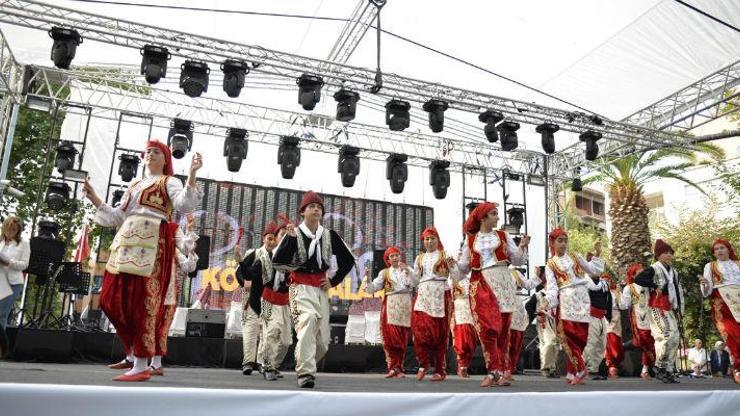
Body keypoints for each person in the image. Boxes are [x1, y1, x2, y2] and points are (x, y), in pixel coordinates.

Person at [83, 140, 202, 382]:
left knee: (143, 302)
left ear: (166, 158)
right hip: (126, 242)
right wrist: (95, 198)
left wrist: (191, 175)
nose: (150, 155)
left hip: (151, 243)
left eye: (156, 152)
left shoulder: (169, 181)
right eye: (147, 152)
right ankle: (131, 352)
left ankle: (141, 363)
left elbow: (184, 204)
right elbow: (117, 215)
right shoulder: (135, 183)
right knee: (109, 299)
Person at [272, 191, 355, 388]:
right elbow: (278, 262)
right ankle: (306, 373)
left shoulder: (328, 235)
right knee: (307, 319)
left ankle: (303, 359)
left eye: (319, 207)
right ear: (302, 212)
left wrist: (333, 282)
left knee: (323, 342)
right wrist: (290, 240)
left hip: (320, 290)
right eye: (311, 206)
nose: (316, 209)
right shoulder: (294, 233)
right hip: (299, 287)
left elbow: (348, 260)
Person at [457, 202, 530, 387]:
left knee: (504, 330)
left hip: (503, 281)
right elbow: (463, 268)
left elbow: (518, 260)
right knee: (488, 327)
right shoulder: (470, 239)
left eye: (497, 214)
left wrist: (523, 246)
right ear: (483, 218)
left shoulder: (504, 235)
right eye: (494, 214)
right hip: (481, 282)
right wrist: (451, 265)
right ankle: (492, 370)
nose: (498, 217)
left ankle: (500, 371)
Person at [541, 227, 606, 386]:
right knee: (567, 337)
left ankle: (574, 371)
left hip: (582, 298)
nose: (563, 244)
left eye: (565, 240)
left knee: (581, 338)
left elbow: (593, 270)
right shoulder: (551, 264)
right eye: (559, 241)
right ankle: (577, 370)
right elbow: (552, 287)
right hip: (566, 299)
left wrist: (596, 254)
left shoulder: (575, 256)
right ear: (553, 243)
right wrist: (547, 301)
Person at [149, 217, 198, 376]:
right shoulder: (148, 244)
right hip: (148, 289)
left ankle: (156, 363)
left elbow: (189, 267)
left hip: (168, 293)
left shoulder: (174, 251)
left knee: (161, 326)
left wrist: (191, 249)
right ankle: (135, 359)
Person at [235, 221, 282, 376]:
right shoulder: (254, 254)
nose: (271, 242)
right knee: (251, 330)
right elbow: (239, 272)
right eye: (269, 238)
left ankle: (263, 363)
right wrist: (245, 281)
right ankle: (248, 362)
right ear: (263, 239)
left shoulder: (279, 257)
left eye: (274, 239)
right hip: (252, 300)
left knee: (267, 334)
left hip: (270, 301)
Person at [634, 239, 684, 384]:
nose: (669, 255)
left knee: (675, 336)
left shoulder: (673, 271)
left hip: (669, 307)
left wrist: (680, 308)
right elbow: (639, 279)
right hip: (656, 306)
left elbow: (678, 290)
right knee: (666, 334)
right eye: (666, 253)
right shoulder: (654, 268)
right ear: (658, 255)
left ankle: (668, 369)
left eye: (670, 253)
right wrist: (654, 285)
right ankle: (659, 367)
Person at [411, 226, 456, 382]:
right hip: (423, 293)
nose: (429, 242)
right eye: (426, 239)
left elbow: (457, 276)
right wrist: (408, 273)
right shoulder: (419, 258)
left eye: (432, 238)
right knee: (419, 331)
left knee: (440, 334)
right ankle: (423, 364)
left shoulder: (445, 255)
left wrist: (454, 266)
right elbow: (415, 280)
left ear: (438, 240)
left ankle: (439, 370)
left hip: (441, 294)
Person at [365, 246, 415, 378]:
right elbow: (372, 289)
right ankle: (393, 367)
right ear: (387, 259)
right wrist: (368, 279)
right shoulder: (384, 273)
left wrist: (409, 271)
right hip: (391, 304)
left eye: (396, 255)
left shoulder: (407, 270)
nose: (394, 258)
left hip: (405, 305)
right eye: (391, 256)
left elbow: (417, 282)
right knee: (392, 339)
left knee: (402, 339)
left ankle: (399, 368)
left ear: (400, 256)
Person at [699, 238, 739, 384]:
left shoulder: (738, 264)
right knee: (731, 335)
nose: (719, 251)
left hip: (738, 301)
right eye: (716, 249)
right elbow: (707, 291)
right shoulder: (710, 266)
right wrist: (704, 285)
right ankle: (737, 369)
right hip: (722, 304)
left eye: (722, 248)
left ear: (729, 249)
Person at [621, 262, 655, 380]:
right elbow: (624, 305)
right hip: (638, 318)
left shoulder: (649, 286)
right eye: (640, 273)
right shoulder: (629, 288)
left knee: (650, 343)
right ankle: (650, 366)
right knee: (645, 342)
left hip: (651, 317)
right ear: (634, 275)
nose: (643, 274)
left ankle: (645, 369)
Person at [506, 267, 540, 379]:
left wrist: (536, 275)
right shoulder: (490, 270)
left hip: (516, 305)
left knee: (516, 339)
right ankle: (502, 368)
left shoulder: (514, 272)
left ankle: (510, 367)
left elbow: (528, 285)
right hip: (502, 305)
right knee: (504, 340)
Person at [0, 215, 30, 330]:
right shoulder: (0, 240)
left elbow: (24, 265)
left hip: (13, 283)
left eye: (14, 230)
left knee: (1, 314)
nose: (11, 232)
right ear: (4, 227)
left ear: (18, 231)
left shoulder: (24, 243)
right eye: (9, 228)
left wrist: (8, 262)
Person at [530, 266, 560, 378]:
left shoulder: (558, 295)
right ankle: (546, 367)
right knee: (548, 342)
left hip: (555, 320)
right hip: (544, 321)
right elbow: (529, 308)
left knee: (556, 343)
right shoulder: (538, 295)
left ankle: (552, 368)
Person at [584, 268, 612, 381]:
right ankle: (584, 368)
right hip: (590, 316)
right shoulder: (585, 282)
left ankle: (595, 369)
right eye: (594, 269)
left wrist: (608, 316)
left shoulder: (604, 284)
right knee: (590, 343)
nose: (597, 272)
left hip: (601, 317)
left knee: (601, 344)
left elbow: (608, 300)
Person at [450, 278, 477, 379]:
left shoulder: (473, 276)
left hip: (473, 310)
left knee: (471, 343)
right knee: (462, 342)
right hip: (459, 309)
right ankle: (461, 367)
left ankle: (465, 366)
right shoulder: (452, 278)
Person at [604, 273, 627, 378]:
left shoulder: (615, 292)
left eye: (607, 281)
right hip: (604, 318)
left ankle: (614, 365)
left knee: (617, 344)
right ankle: (611, 367)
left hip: (616, 317)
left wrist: (619, 294)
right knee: (610, 342)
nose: (606, 283)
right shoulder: (598, 292)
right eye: (603, 281)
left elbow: (624, 306)